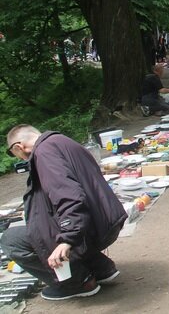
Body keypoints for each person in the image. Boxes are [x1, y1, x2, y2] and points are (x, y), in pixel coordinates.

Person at [1, 125, 127, 300]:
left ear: (18, 147)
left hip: (89, 230)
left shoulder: (43, 153)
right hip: (106, 222)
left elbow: (70, 196)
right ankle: (101, 269)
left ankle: (78, 283)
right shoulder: (62, 141)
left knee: (11, 239)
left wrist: (67, 239)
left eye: (16, 154)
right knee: (42, 224)